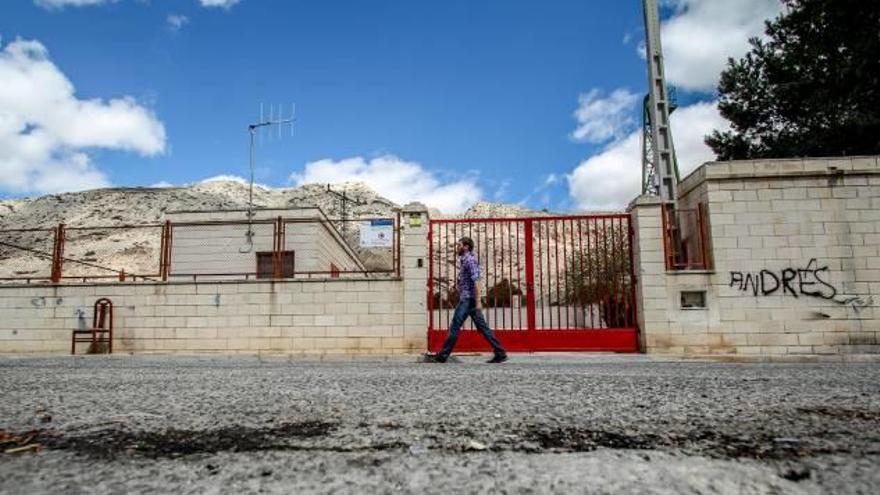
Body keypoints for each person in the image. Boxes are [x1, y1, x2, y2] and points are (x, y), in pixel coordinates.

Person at [426, 236, 508, 364]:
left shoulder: (470, 260)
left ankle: (443, 355)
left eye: (459, 245)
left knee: (455, 326)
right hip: (469, 299)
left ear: (466, 247)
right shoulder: (464, 260)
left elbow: (477, 280)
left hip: (468, 300)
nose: (456, 247)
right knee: (483, 328)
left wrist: (478, 301)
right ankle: (500, 352)